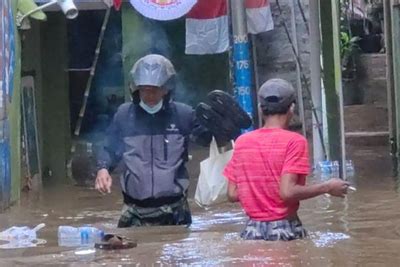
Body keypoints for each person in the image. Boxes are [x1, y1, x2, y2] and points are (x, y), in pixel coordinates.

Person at [223, 78, 350, 241]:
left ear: (261, 109)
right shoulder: (294, 141)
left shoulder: (242, 142)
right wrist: (327, 187)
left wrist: (259, 189)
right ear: (292, 108)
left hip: (251, 232)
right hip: (284, 230)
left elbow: (232, 194)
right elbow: (287, 192)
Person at [95, 54, 212, 228]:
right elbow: (109, 148)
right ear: (136, 90)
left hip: (175, 210)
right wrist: (103, 169)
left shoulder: (183, 114)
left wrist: (215, 126)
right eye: (144, 90)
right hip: (134, 210)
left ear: (166, 89)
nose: (149, 95)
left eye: (154, 90)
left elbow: (206, 139)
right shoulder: (124, 115)